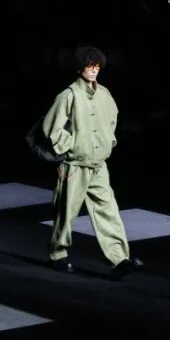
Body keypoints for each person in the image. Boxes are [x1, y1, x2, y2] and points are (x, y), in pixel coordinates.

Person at [42, 46, 135, 276]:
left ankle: (119, 258)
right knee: (66, 213)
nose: (94, 70)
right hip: (74, 166)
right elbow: (52, 128)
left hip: (98, 165)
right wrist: (71, 146)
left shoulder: (104, 94)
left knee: (108, 210)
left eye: (97, 66)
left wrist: (108, 141)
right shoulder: (69, 95)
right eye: (89, 66)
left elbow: (112, 119)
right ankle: (58, 253)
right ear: (79, 68)